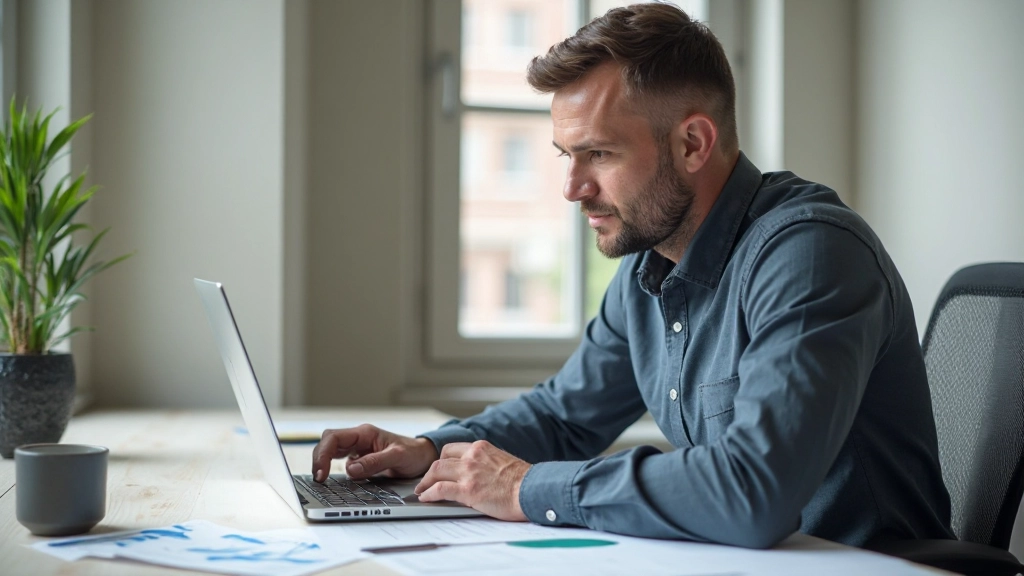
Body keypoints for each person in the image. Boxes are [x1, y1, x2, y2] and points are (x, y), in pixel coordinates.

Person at [313, 3, 954, 549]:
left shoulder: (810, 254)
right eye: (566, 156)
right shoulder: (651, 263)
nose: (572, 188)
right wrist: (431, 451)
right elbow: (565, 416)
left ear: (693, 143)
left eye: (599, 153)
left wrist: (527, 487)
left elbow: (753, 492)